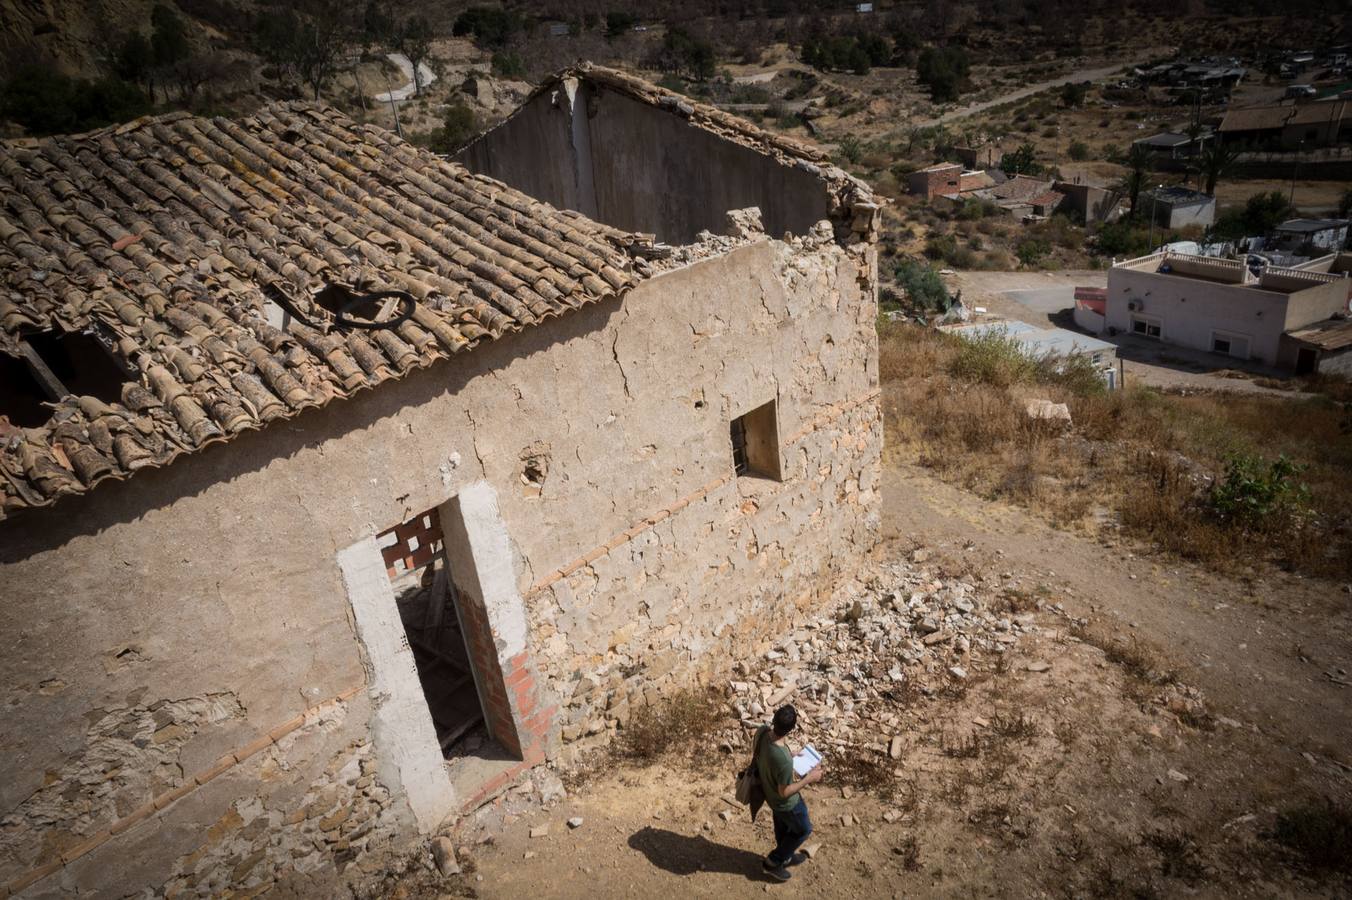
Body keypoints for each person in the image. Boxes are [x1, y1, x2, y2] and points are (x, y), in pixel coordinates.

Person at [754, 704, 821, 882]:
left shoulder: (761, 732)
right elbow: (784, 792)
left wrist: (791, 756)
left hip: (769, 796)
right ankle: (772, 863)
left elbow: (767, 758)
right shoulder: (783, 759)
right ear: (791, 729)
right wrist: (809, 778)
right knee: (803, 830)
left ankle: (786, 855)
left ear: (774, 720)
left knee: (783, 828)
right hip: (786, 803)